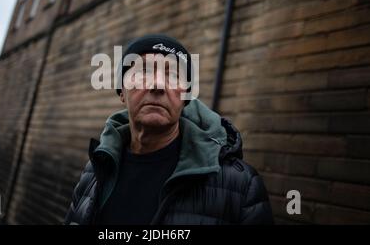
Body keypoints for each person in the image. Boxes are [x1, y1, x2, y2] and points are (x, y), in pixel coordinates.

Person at [64, 34, 273, 225]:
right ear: (122, 92)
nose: (158, 85)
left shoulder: (241, 185)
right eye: (143, 71)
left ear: (186, 97)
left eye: (172, 75)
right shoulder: (96, 170)